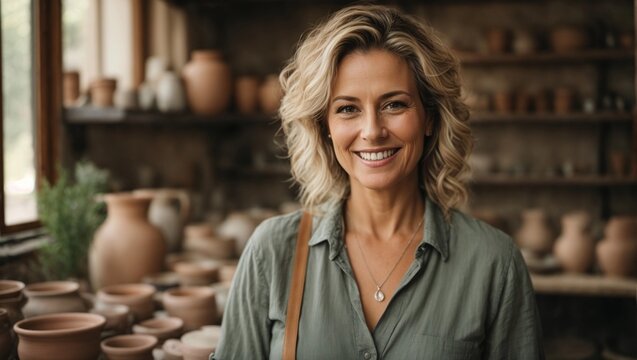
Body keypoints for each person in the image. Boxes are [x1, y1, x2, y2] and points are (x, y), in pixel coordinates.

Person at [212, 4, 544, 359]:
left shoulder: (494, 263)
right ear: (325, 127)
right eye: (347, 108)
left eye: (394, 105)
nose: (372, 131)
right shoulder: (272, 252)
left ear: (429, 117)